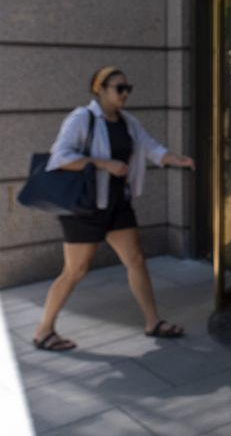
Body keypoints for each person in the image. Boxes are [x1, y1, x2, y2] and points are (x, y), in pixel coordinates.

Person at [31, 67, 195, 352]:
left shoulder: (128, 122)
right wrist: (103, 164)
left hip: (117, 204)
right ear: (100, 89)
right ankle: (44, 330)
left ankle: (152, 321)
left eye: (127, 88)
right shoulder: (82, 118)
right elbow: (60, 157)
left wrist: (175, 159)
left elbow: (150, 147)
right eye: (119, 88)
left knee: (136, 260)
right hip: (85, 208)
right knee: (75, 270)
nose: (125, 94)